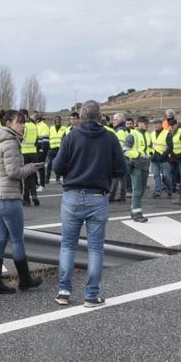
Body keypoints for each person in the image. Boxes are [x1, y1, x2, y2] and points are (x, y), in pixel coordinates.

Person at [54, 100, 126, 307]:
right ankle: (91, 295)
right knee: (95, 249)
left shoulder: (71, 137)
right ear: (99, 116)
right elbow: (121, 169)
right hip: (98, 197)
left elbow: (57, 167)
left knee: (68, 245)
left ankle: (64, 291)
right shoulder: (110, 138)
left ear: (81, 117)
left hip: (72, 196)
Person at [0, 110, 45, 294]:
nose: (23, 125)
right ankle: (25, 280)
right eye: (20, 122)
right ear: (9, 122)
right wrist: (32, 167)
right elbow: (14, 172)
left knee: (0, 239)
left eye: (24, 122)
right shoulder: (10, 142)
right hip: (8, 197)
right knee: (17, 240)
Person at [128, 116, 152, 223]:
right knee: (137, 190)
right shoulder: (132, 135)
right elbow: (125, 150)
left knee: (141, 190)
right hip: (136, 165)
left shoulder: (147, 135)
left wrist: (150, 153)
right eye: (144, 123)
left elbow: (150, 147)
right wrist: (137, 155)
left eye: (147, 123)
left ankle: (134, 211)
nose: (147, 125)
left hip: (145, 166)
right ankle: (137, 215)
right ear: (139, 123)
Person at [19, 109, 41, 206]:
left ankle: (26, 199)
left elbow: (19, 139)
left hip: (24, 153)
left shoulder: (23, 126)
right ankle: (34, 195)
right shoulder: (34, 126)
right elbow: (37, 140)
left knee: (25, 177)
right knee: (31, 175)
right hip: (33, 153)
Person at [107, 113, 131, 202]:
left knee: (115, 177)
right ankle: (122, 196)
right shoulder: (124, 129)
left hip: (120, 157)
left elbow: (119, 146)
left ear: (120, 120)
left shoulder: (120, 131)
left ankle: (111, 196)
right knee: (123, 178)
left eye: (115, 119)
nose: (113, 121)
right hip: (126, 157)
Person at [151, 119, 172, 198]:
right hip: (154, 159)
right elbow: (150, 146)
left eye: (157, 124)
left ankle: (169, 190)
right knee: (156, 176)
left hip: (164, 158)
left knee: (166, 176)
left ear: (161, 124)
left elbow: (170, 146)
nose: (155, 125)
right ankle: (157, 191)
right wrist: (151, 154)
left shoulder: (167, 133)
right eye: (154, 124)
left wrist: (163, 156)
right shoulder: (152, 134)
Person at [45, 115, 68, 184]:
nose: (57, 121)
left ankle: (57, 178)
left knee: (59, 164)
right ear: (54, 121)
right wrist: (48, 147)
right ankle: (47, 178)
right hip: (51, 149)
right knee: (49, 164)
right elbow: (48, 137)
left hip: (60, 149)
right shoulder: (51, 128)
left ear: (61, 121)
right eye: (56, 120)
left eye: (59, 120)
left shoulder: (64, 128)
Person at [34, 112, 51, 190]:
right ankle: (37, 184)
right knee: (36, 167)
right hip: (37, 149)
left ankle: (42, 185)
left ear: (38, 119)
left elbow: (45, 138)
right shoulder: (37, 125)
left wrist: (42, 149)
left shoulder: (43, 126)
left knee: (40, 167)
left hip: (41, 149)